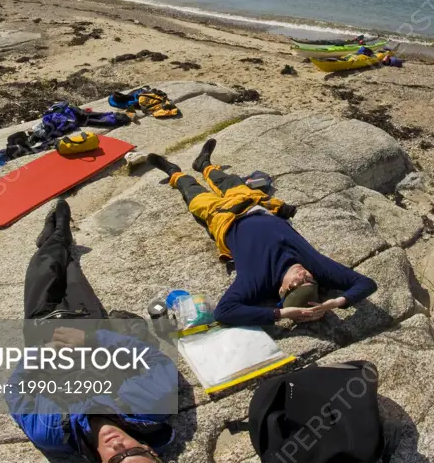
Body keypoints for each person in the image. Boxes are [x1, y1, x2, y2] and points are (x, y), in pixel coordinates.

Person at [7, 199, 176, 463]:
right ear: (149, 448)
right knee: (70, 267)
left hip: (43, 333)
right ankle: (58, 237)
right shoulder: (150, 406)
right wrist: (93, 340)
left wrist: (39, 355)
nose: (119, 446)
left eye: (116, 459)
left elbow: (18, 392)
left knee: (42, 268)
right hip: (90, 326)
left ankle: (54, 236)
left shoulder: (54, 434)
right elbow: (153, 359)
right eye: (134, 451)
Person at [147, 139, 378, 328]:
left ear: (282, 289)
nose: (305, 274)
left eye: (300, 282)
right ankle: (204, 164)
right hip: (257, 205)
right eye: (311, 280)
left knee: (194, 194)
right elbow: (366, 283)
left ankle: (173, 172)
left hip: (223, 219)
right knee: (230, 181)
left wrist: (281, 314)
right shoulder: (317, 268)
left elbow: (224, 312)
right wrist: (334, 303)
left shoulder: (257, 280)